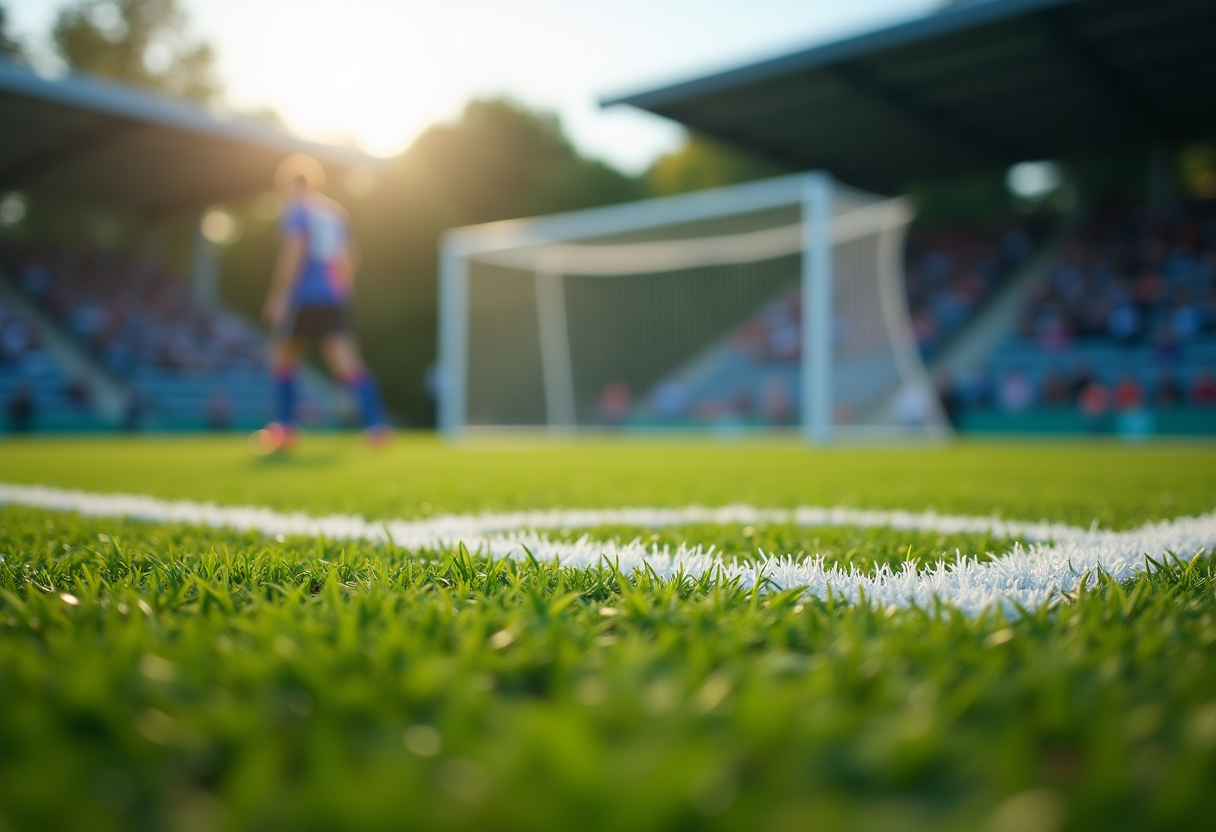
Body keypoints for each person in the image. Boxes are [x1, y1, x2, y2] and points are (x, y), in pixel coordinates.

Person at [255, 154, 387, 453]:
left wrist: (279, 296)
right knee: (348, 364)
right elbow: (350, 257)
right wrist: (341, 290)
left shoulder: (297, 210)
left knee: (282, 357)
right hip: (334, 298)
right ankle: (377, 427)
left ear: (289, 184)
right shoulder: (334, 212)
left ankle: (285, 429)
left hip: (304, 297)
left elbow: (295, 252)